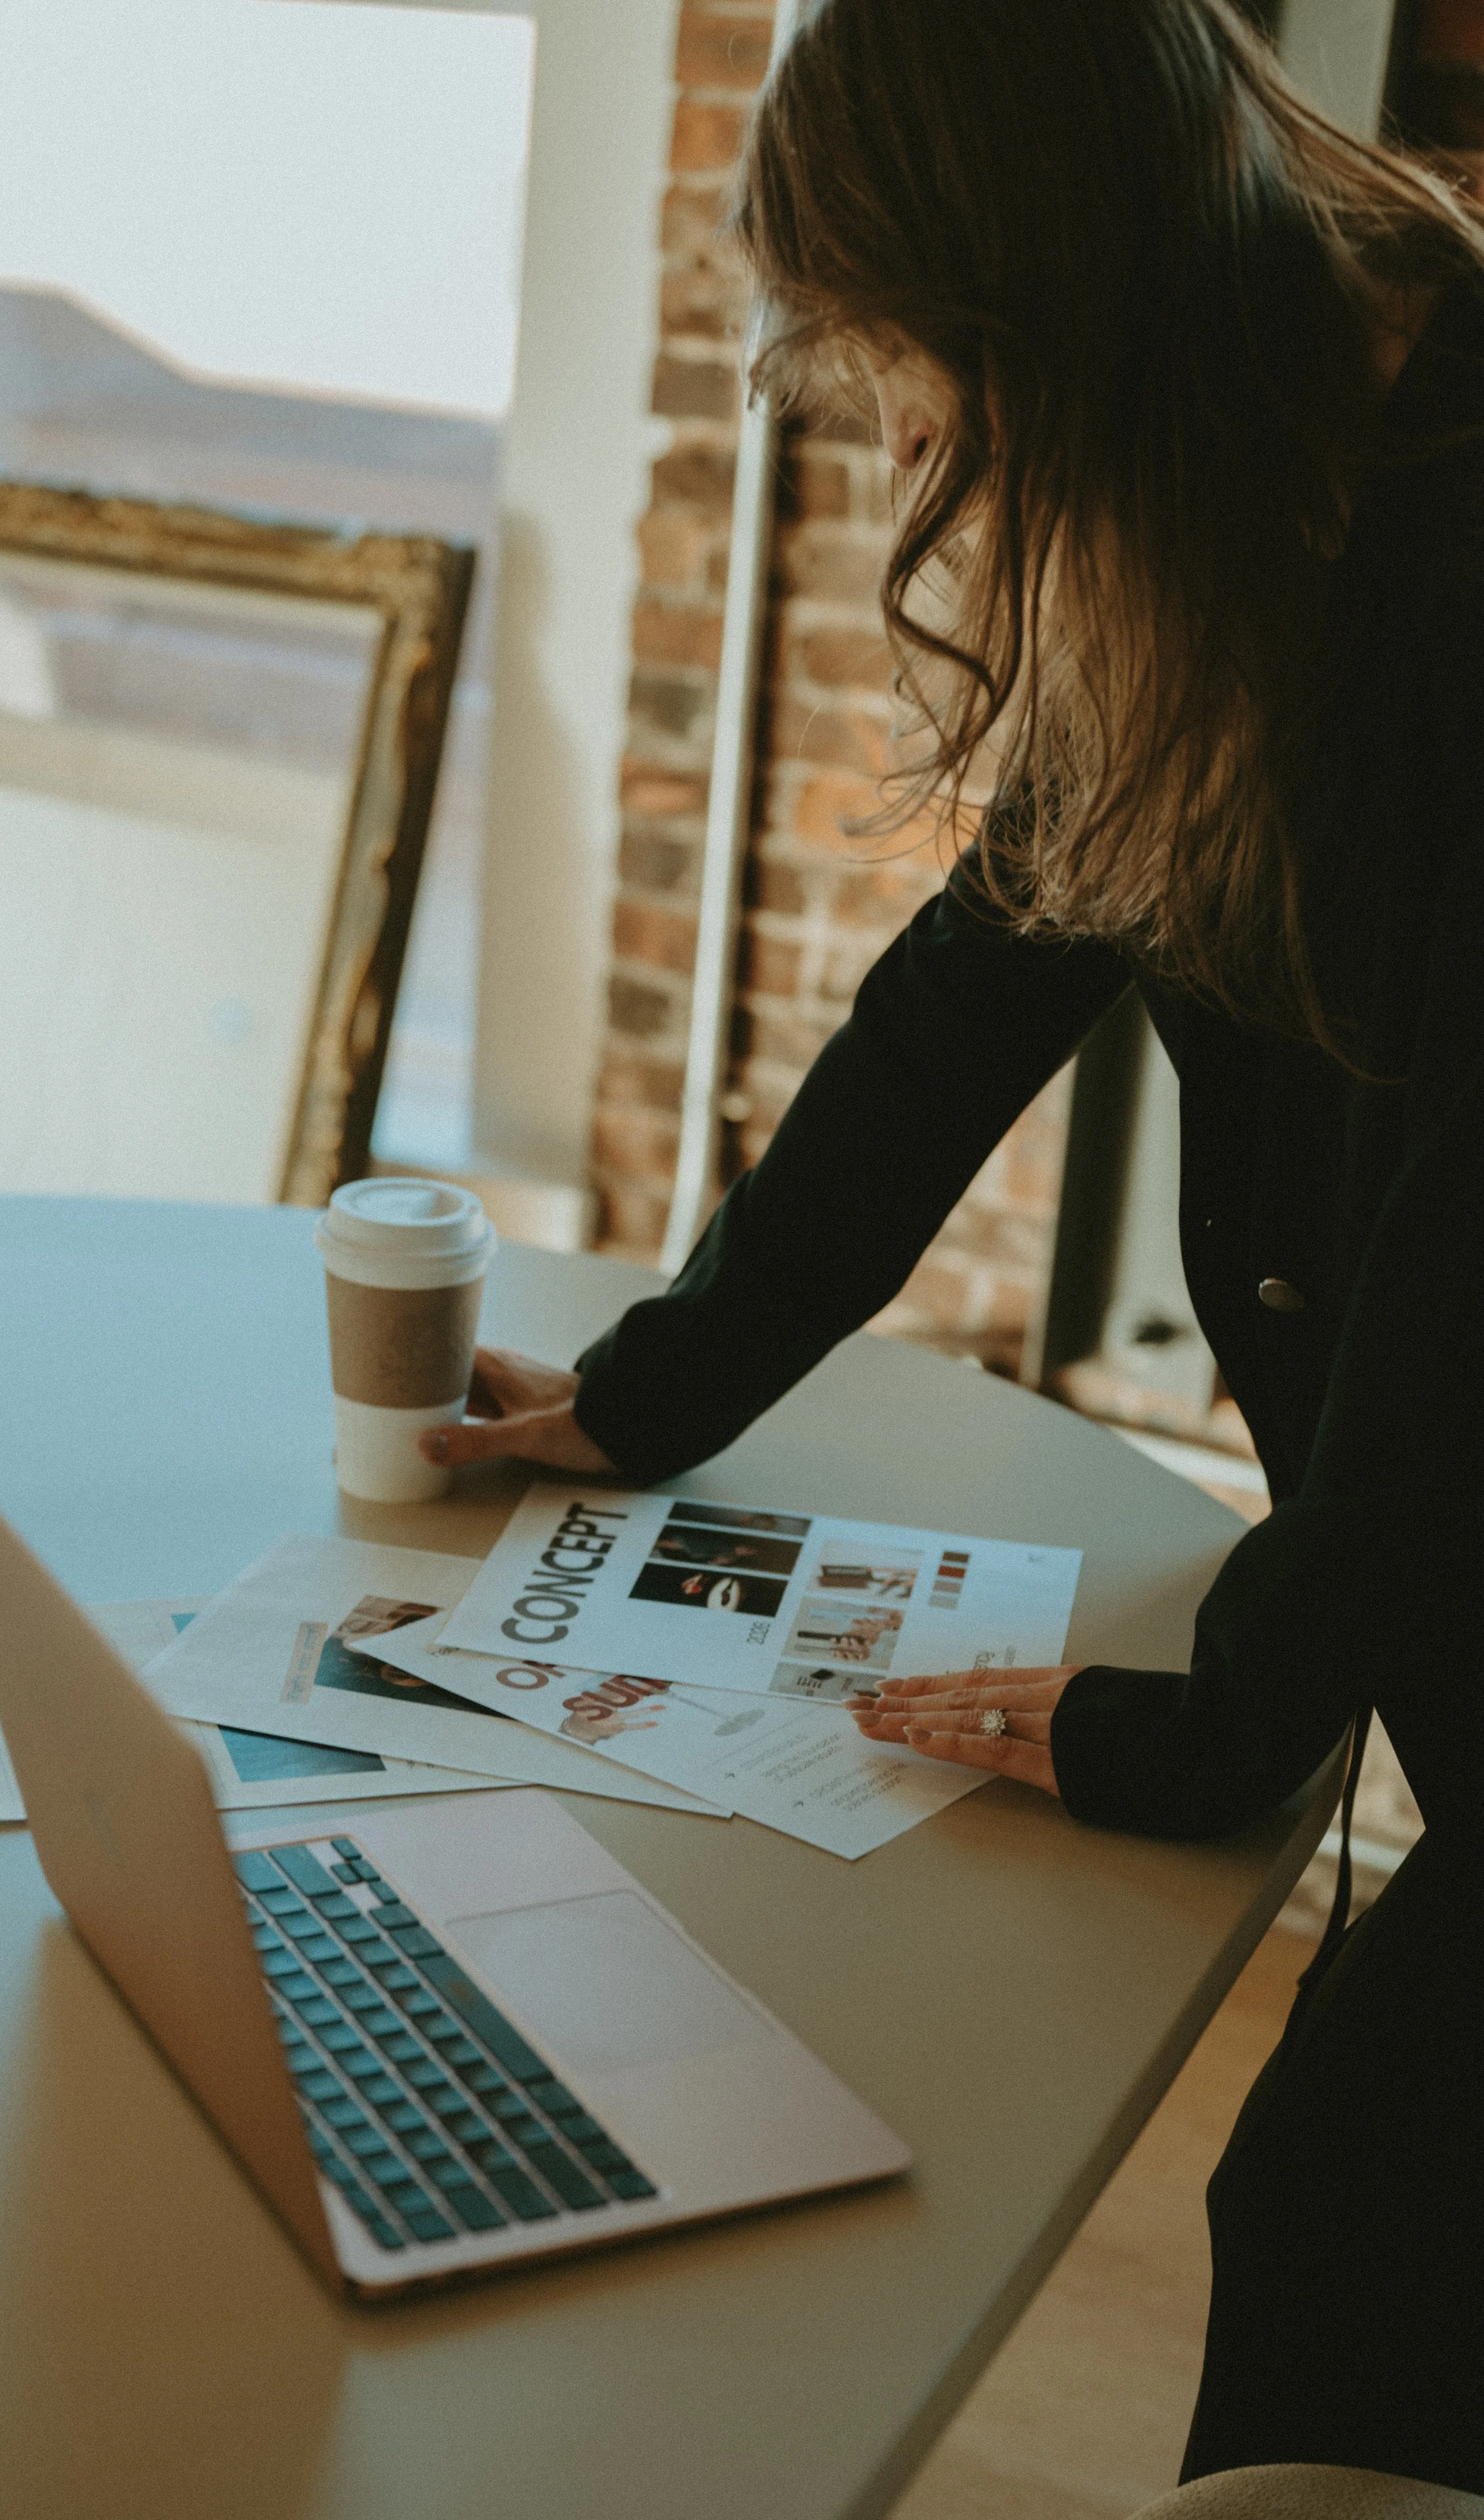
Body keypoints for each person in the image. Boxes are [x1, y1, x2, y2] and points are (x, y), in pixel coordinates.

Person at [419, 0, 1484, 2491]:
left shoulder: (1448, 557)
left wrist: (1209, 1720)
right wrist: (663, 1382)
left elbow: (1462, 1263)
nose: (907, 450)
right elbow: (983, 977)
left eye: (910, 372)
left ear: (1044, 317)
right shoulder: (1269, 458)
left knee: (1352, 2206)